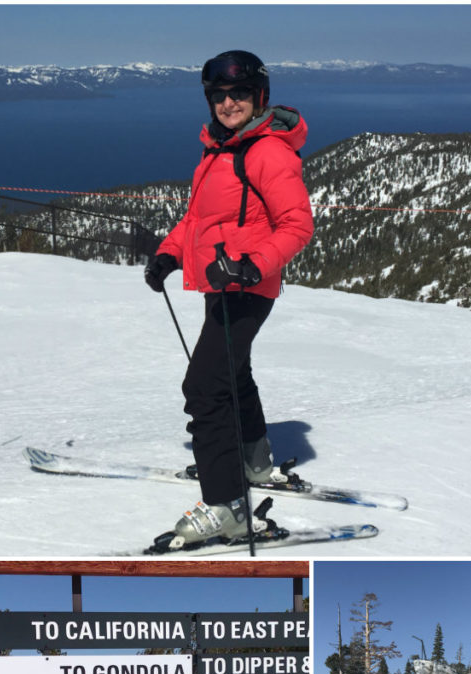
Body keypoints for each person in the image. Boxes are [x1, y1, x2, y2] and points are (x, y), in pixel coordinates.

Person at [144, 50, 314, 546]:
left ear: (259, 97)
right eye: (219, 95)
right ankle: (253, 461)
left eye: (239, 94)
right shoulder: (217, 150)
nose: (228, 103)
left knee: (204, 387)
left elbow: (297, 226)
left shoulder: (268, 152)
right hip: (221, 283)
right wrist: (169, 254)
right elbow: (199, 221)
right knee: (232, 372)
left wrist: (252, 265)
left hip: (248, 285)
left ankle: (228, 507)